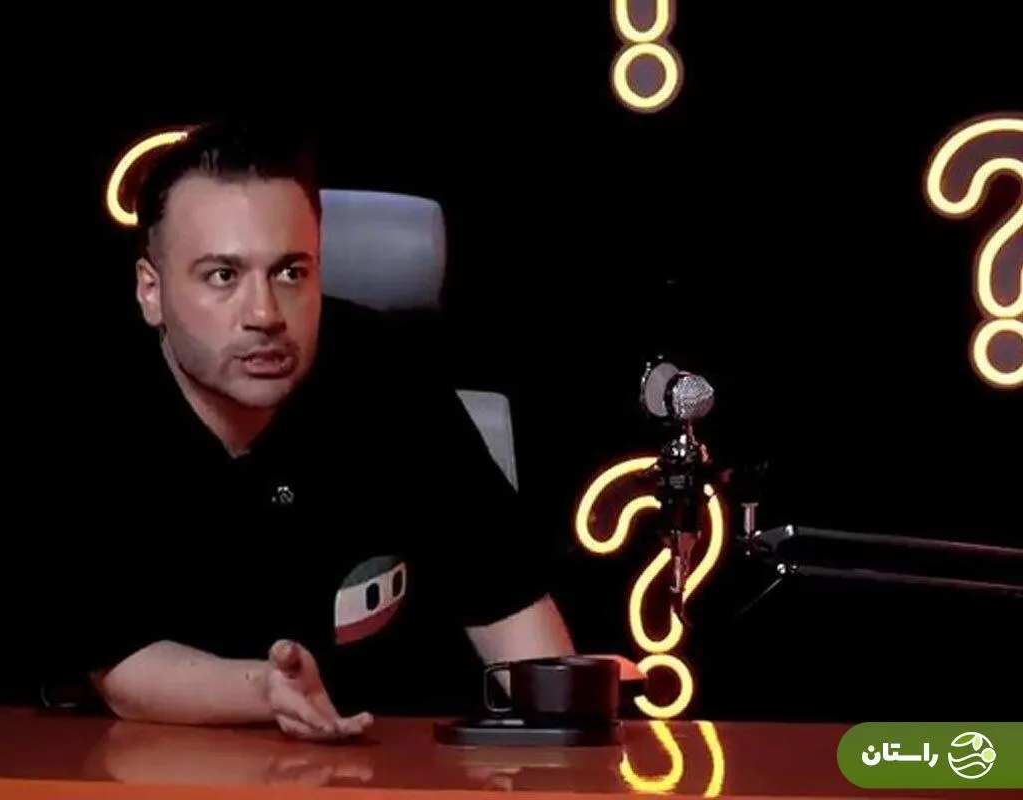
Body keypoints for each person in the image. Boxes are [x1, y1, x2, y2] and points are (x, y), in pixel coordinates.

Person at [59, 116, 635, 741]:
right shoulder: (94, 411)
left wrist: (565, 719)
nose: (265, 314)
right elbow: (118, 661)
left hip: (393, 756)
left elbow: (508, 609)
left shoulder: (391, 378)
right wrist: (268, 689)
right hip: (162, 763)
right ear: (151, 291)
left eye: (291, 272)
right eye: (223, 276)